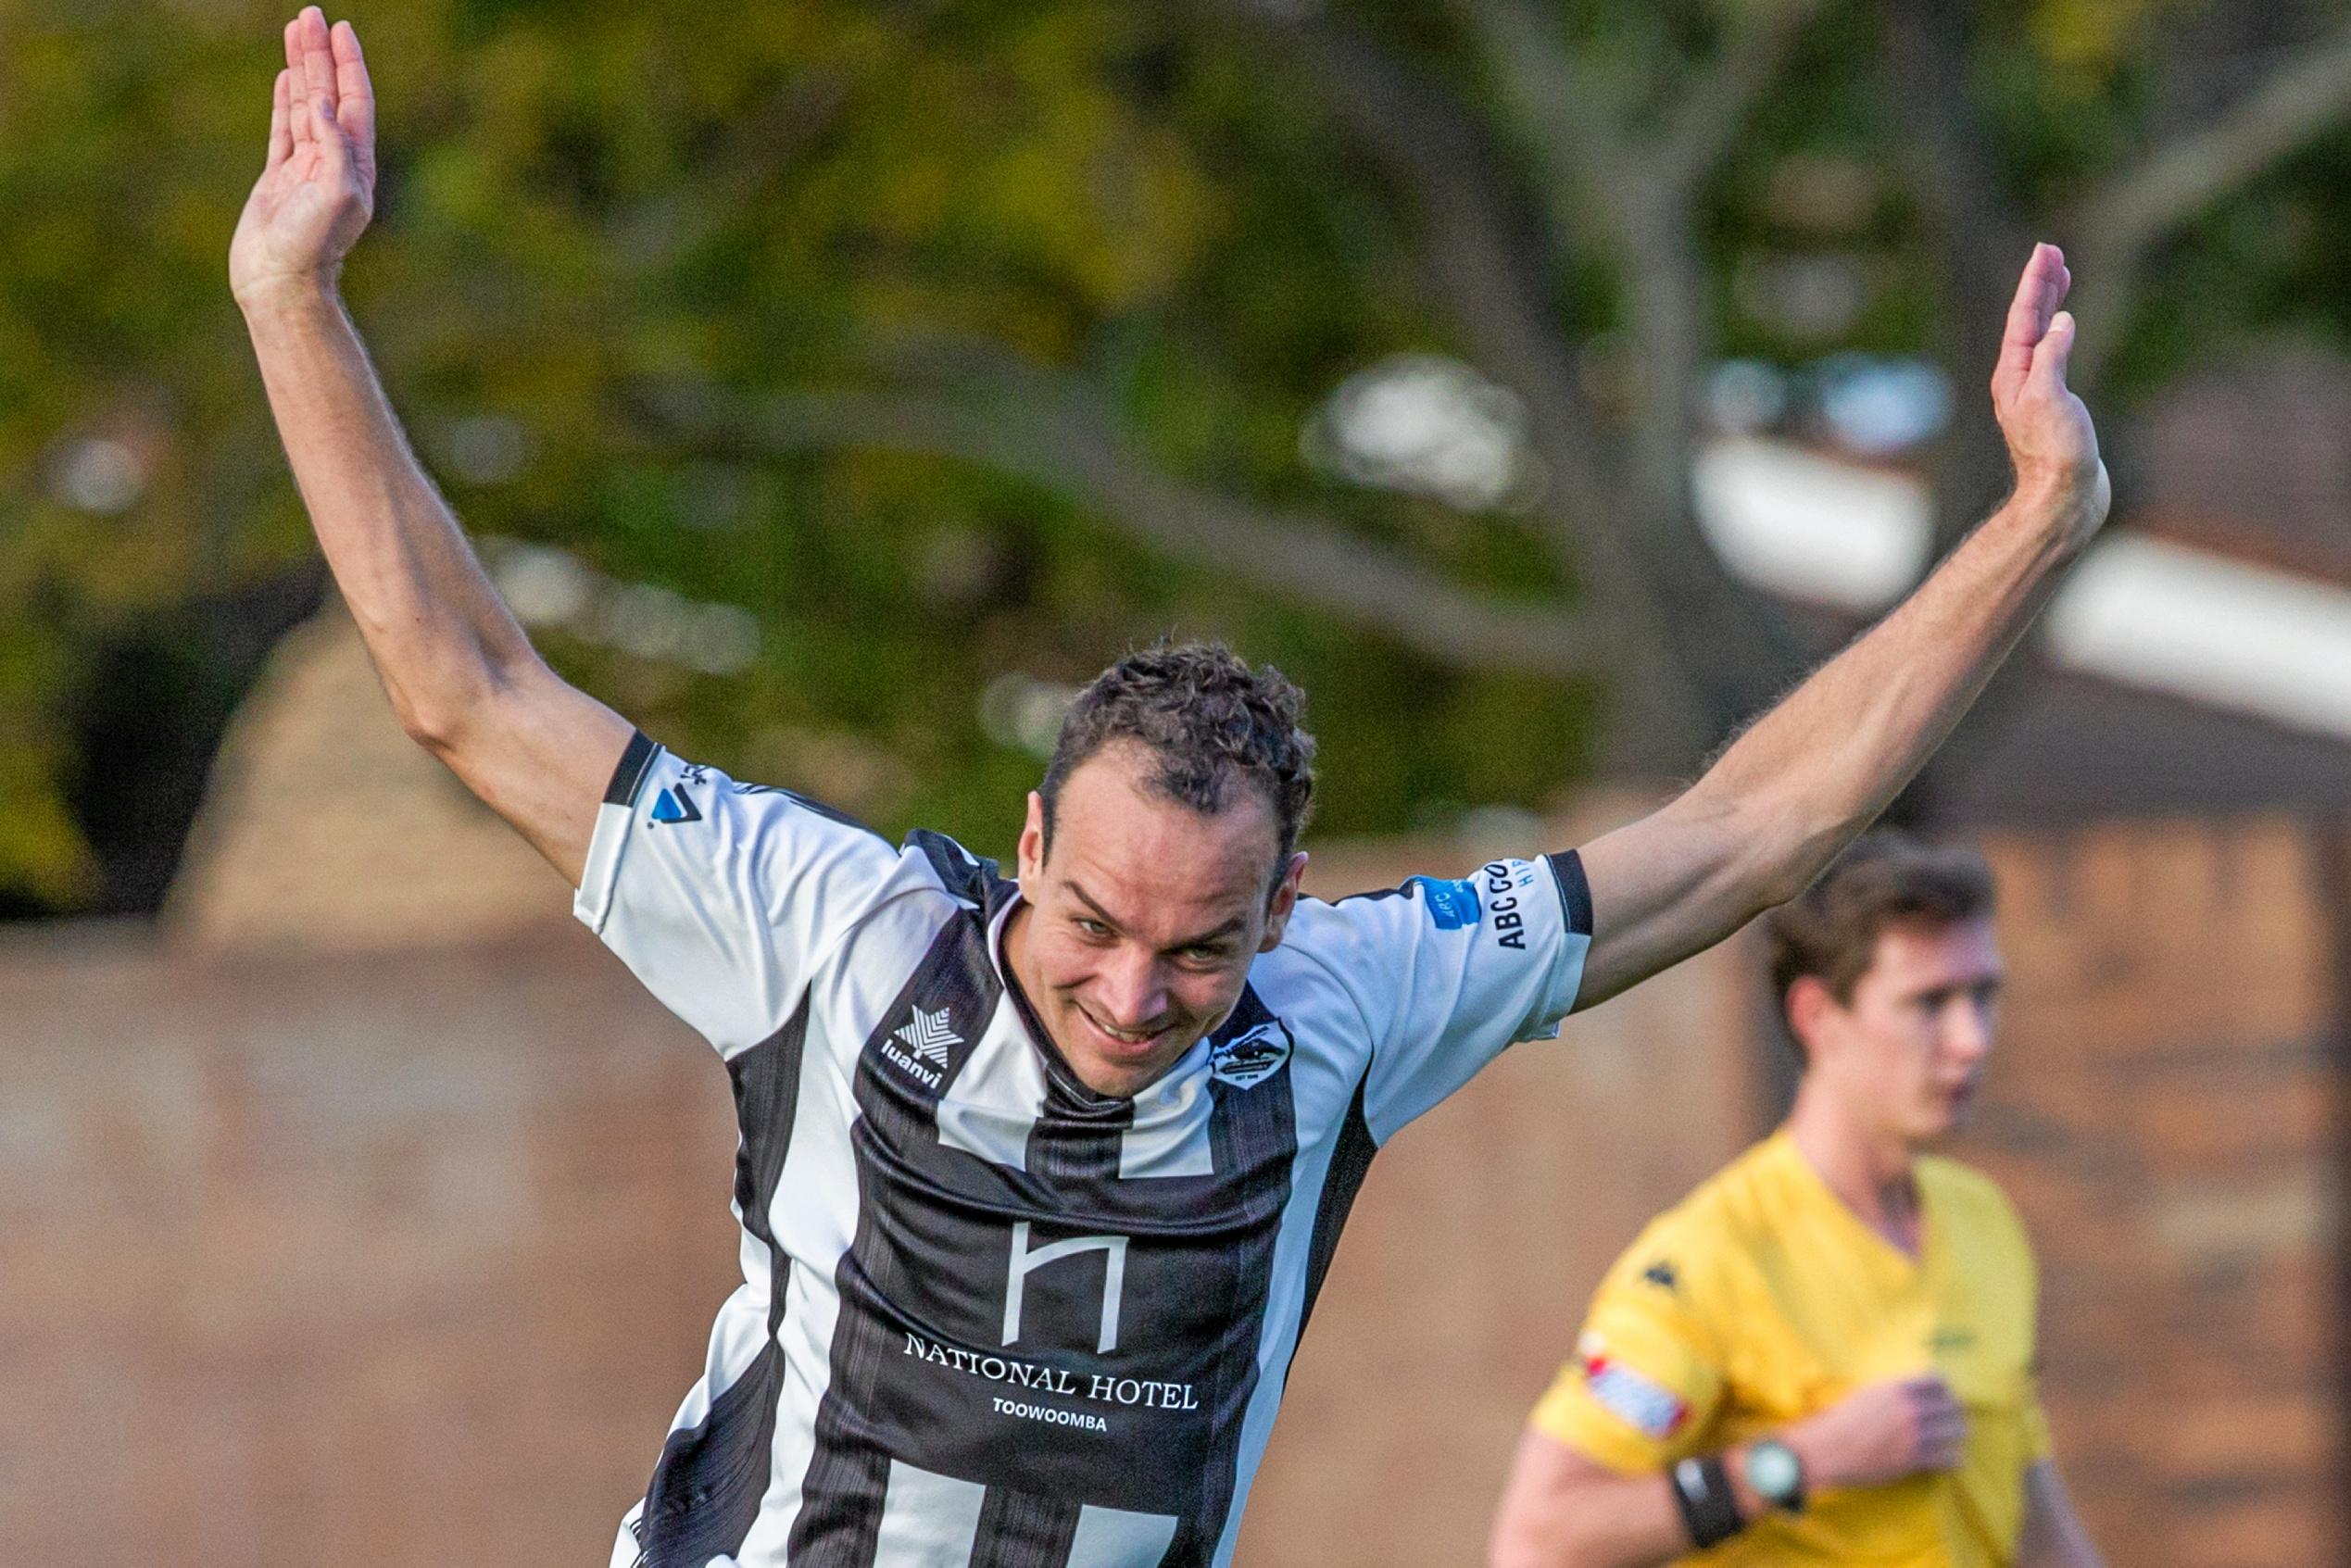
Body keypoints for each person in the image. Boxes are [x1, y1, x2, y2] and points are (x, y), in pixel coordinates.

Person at [230, 11, 2109, 1566]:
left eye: (1204, 951)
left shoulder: (1350, 1005)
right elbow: (468, 693)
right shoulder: (835, 931)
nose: (1136, 994)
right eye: (1096, 926)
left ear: (1283, 916)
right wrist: (293, 299)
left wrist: (2037, 528)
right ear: (1026, 848)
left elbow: (1747, 834)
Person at [1486, 834, 2106, 1568]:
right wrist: (1795, 1461)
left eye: (1983, 994)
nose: (1971, 1039)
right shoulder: (1710, 1257)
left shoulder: (1984, 1217)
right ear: (1817, 1015)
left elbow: (2028, 1500)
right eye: (1931, 1001)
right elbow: (1538, 1538)